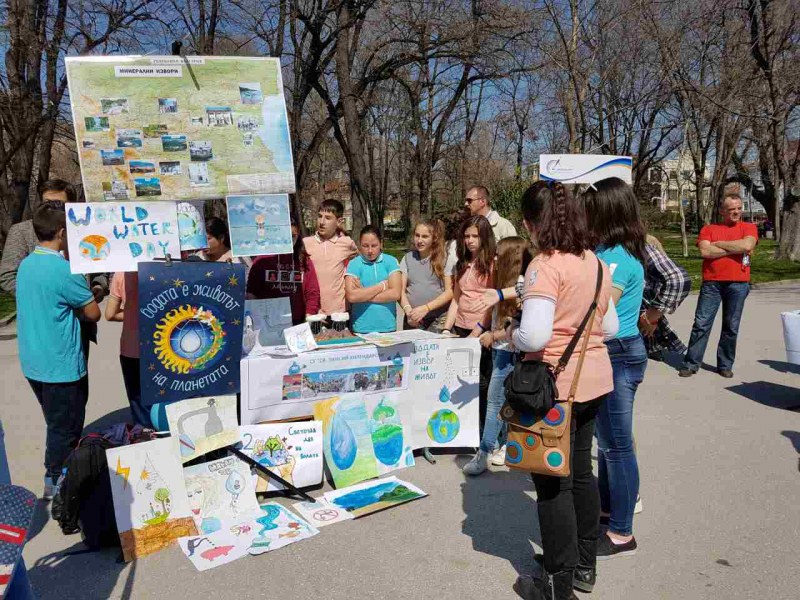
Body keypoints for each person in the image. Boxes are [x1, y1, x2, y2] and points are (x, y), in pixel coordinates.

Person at [509, 181, 617, 600]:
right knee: (581, 474)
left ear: (531, 223)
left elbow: (534, 336)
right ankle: (582, 565)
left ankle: (557, 584)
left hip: (555, 388)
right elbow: (608, 326)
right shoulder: (594, 262)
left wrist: (511, 333)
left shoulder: (544, 265)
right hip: (594, 379)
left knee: (553, 484)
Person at [15, 202, 101, 498]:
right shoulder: (65, 270)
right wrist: (93, 295)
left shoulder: (26, 264)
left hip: (34, 362)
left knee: (56, 422)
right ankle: (59, 486)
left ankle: (60, 479)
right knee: (64, 430)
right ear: (62, 233)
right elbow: (93, 313)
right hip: (61, 366)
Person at [583, 177, 647, 560]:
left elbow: (599, 311)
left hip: (618, 354)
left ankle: (622, 532)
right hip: (610, 353)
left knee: (618, 446)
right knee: (607, 446)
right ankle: (608, 514)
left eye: (590, 211)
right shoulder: (603, 250)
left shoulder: (619, 260)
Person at [0, 179, 107, 359]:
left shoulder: (85, 232)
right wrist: (47, 298)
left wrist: (99, 286)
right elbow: (7, 275)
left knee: (77, 381)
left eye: (59, 204)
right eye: (48, 203)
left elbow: (101, 267)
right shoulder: (22, 232)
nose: (53, 209)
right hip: (43, 326)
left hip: (80, 324)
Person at [462, 237, 532, 475]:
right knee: (503, 402)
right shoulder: (501, 286)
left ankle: (485, 453)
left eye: (498, 256)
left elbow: (521, 324)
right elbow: (491, 313)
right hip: (501, 351)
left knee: (494, 402)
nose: (493, 259)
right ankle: (504, 444)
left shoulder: (521, 287)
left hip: (510, 353)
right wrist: (479, 331)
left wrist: (494, 336)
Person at [679, 193, 758, 378]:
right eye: (732, 209)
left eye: (739, 208)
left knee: (731, 326)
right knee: (701, 324)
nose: (737, 212)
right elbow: (706, 251)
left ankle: (724, 364)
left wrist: (720, 244)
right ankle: (691, 363)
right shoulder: (708, 229)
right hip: (712, 283)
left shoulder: (749, 227)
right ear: (722, 211)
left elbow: (747, 246)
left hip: (739, 284)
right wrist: (734, 249)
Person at [247, 218, 321, 324]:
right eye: (284, 236)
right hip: (267, 324)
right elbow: (251, 293)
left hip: (298, 324)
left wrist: (308, 318)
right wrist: (258, 318)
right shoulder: (261, 261)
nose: (289, 240)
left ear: (298, 234)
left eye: (293, 236)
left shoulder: (304, 261)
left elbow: (312, 293)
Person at [106, 272, 149, 427]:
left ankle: (143, 436)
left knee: (138, 402)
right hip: (162, 347)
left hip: (131, 347)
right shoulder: (166, 269)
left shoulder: (121, 274)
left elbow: (110, 314)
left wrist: (131, 313)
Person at [443, 216, 496, 337]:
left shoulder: (493, 264)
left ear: (485, 237)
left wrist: (476, 332)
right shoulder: (461, 263)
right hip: (459, 326)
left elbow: (493, 303)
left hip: (482, 329)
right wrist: (446, 329)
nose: (470, 241)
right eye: (467, 236)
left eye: (475, 236)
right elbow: (456, 299)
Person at [303, 199, 358, 315]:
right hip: (313, 312)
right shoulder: (305, 244)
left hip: (340, 312)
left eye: (328, 218)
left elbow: (360, 260)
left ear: (339, 221)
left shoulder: (346, 243)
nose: (322, 222)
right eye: (319, 216)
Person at [399, 218, 455, 332]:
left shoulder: (445, 258)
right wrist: (408, 311)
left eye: (425, 236)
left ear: (434, 238)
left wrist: (426, 308)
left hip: (438, 318)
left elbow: (450, 291)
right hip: (413, 319)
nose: (419, 240)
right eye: (417, 235)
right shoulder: (407, 258)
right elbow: (400, 290)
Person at [345, 225, 402, 333]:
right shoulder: (354, 264)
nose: (370, 250)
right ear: (360, 245)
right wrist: (382, 286)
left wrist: (363, 294)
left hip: (387, 327)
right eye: (365, 246)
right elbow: (352, 296)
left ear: (381, 244)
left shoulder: (391, 261)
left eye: (374, 245)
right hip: (361, 328)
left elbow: (395, 294)